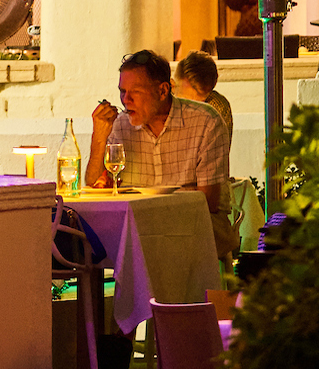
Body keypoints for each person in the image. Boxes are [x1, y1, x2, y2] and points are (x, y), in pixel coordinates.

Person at [88, 47, 234, 259]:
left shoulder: (205, 121)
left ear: (163, 91)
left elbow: (207, 203)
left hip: (197, 224)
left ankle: (144, 293)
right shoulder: (120, 126)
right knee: (90, 240)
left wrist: (146, 201)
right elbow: (95, 188)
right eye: (122, 91)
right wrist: (99, 139)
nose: (125, 100)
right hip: (137, 224)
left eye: (135, 92)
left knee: (151, 237)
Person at [174, 52, 234, 153]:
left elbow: (217, 157)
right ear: (173, 85)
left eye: (199, 103)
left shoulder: (217, 108)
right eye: (184, 100)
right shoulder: (160, 103)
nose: (190, 108)